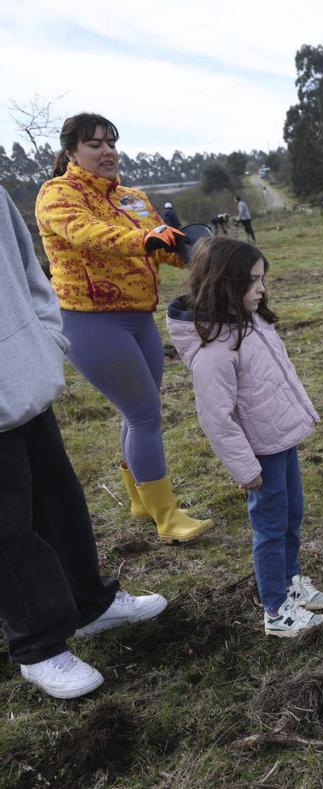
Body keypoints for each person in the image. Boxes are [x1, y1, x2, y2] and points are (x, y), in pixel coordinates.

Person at [1, 184, 167, 699]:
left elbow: (30, 270)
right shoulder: (59, 194)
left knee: (62, 501)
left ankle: (88, 604)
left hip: (25, 379)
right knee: (9, 530)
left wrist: (44, 338)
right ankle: (39, 646)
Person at [35, 113, 213, 544]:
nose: (107, 151)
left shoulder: (132, 197)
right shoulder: (57, 195)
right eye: (94, 144)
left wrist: (202, 253)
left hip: (139, 318)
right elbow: (88, 235)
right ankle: (167, 518)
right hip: (90, 322)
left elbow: (163, 243)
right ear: (72, 152)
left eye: (111, 142)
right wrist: (144, 241)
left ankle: (140, 499)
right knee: (145, 414)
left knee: (137, 412)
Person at [166, 237, 323, 637]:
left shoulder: (250, 322)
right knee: (271, 529)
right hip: (261, 455)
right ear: (225, 283)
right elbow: (215, 418)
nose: (262, 289)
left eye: (263, 279)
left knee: (292, 516)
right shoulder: (214, 352)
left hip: (280, 441)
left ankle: (291, 584)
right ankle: (276, 610)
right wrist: (245, 469)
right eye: (253, 281)